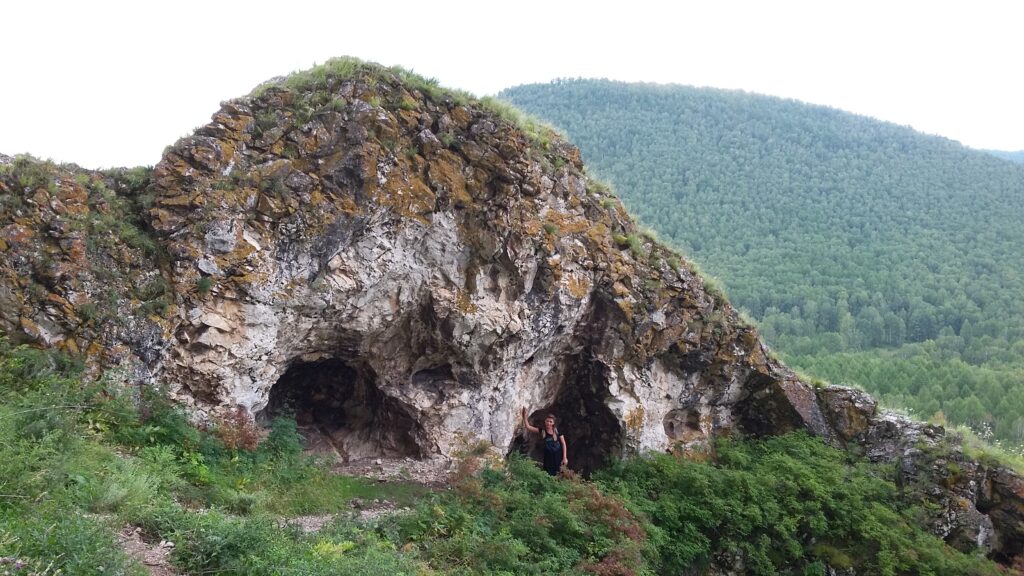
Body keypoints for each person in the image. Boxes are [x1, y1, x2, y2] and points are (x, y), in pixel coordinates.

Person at [521, 407, 567, 475]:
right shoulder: (542, 431)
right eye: (547, 421)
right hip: (548, 458)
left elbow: (563, 444)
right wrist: (524, 416)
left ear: (553, 423)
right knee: (548, 474)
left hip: (558, 456)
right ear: (545, 421)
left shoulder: (557, 431)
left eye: (550, 422)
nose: (548, 423)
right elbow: (528, 427)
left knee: (559, 473)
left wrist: (564, 457)